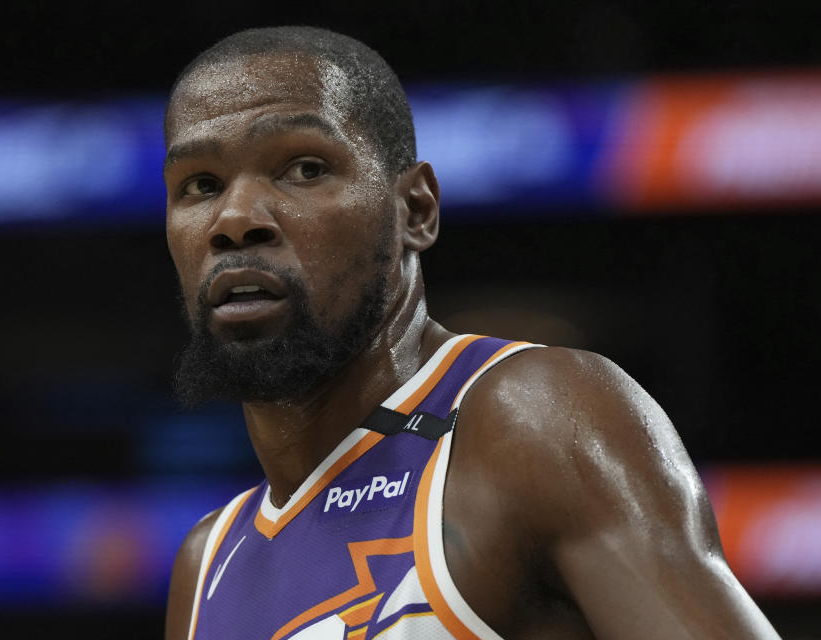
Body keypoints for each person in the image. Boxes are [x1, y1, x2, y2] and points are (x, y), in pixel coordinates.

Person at [162, 26, 779, 640]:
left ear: (416, 210)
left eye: (303, 168)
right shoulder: (207, 564)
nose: (236, 219)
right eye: (200, 185)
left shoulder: (532, 420)